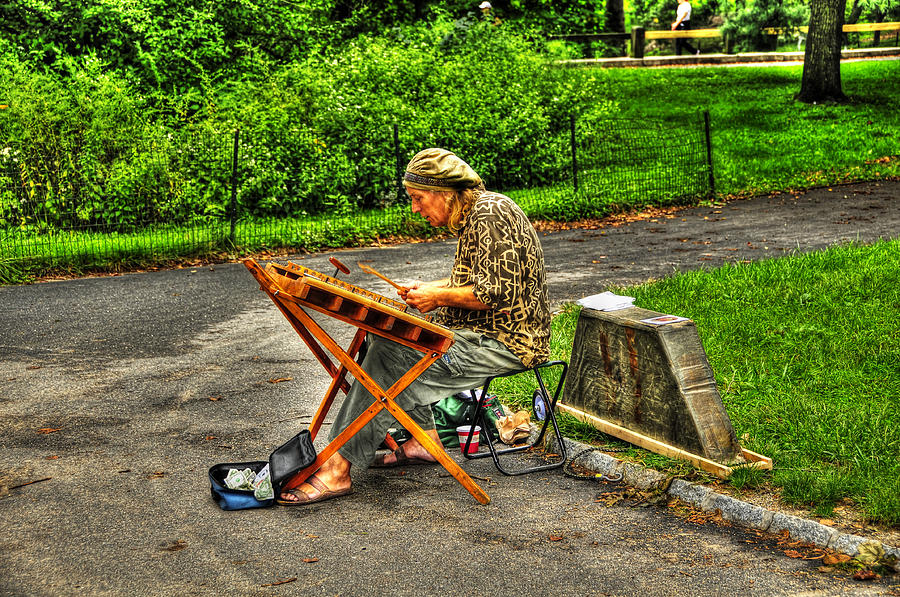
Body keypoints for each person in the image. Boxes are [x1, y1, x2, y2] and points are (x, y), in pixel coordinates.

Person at [278, 148, 550, 505]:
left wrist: (437, 297)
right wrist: (431, 291)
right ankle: (424, 440)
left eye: (418, 198)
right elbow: (472, 282)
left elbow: (494, 293)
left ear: (445, 192)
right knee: (387, 333)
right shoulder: (478, 216)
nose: (415, 209)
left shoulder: (490, 213)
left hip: (506, 343)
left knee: (391, 353)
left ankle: (337, 468)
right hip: (482, 335)